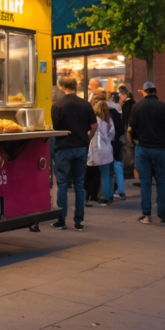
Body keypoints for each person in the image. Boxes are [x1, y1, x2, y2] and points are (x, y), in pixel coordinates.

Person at [50, 76, 97, 231]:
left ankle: (61, 220)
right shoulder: (85, 104)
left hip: (63, 148)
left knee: (62, 184)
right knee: (79, 184)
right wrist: (88, 138)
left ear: (63, 87)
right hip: (81, 147)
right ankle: (79, 220)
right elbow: (94, 125)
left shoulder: (57, 105)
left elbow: (56, 128)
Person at [128, 81, 165, 224]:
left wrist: (132, 144)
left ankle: (147, 215)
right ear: (156, 90)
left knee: (146, 182)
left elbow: (130, 130)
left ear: (144, 91)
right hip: (161, 149)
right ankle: (162, 213)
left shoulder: (137, 107)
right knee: (161, 181)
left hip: (143, 148)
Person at [88, 99, 115, 206]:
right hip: (107, 149)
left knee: (95, 174)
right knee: (107, 174)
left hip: (96, 150)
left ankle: (101, 195)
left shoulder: (95, 122)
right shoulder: (109, 121)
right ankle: (108, 195)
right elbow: (112, 135)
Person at [106, 92, 126, 202]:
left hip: (107, 144)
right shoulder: (118, 113)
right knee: (118, 167)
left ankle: (109, 192)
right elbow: (122, 130)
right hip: (117, 143)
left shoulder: (105, 115)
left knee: (107, 170)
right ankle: (121, 191)